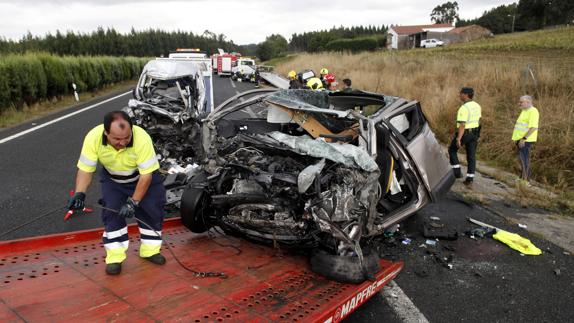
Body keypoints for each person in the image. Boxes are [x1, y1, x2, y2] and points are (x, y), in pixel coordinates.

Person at [67, 111, 167, 275]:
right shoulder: (93, 138)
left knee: (152, 211)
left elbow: (146, 176)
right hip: (113, 180)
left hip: (142, 178)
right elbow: (85, 170)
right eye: (117, 139)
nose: (123, 142)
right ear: (106, 133)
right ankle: (115, 257)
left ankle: (150, 250)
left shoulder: (141, 138)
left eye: (126, 138)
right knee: (112, 213)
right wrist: (79, 193)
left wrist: (133, 202)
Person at [448, 87, 482, 186]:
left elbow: (462, 125)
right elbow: (479, 121)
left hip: (465, 133)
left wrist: (459, 138)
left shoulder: (464, 108)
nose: (459, 95)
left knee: (452, 150)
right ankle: (470, 179)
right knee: (471, 156)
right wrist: (477, 135)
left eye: (461, 93)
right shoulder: (477, 105)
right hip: (474, 133)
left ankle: (457, 172)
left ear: (466, 95)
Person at [512, 95, 539, 182]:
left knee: (524, 160)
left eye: (521, 102)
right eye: (519, 102)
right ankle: (522, 177)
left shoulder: (533, 111)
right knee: (521, 160)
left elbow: (533, 127)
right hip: (520, 140)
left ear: (528, 102)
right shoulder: (524, 111)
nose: (519, 104)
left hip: (526, 141)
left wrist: (523, 138)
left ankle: (526, 180)